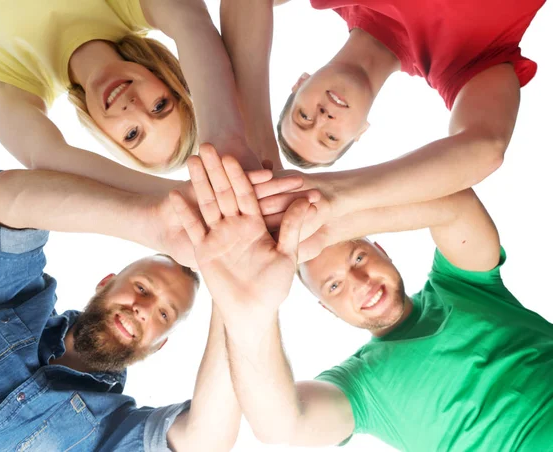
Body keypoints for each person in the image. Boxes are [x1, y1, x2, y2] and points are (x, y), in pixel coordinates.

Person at [173, 147, 553, 450]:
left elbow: (457, 204)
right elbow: (281, 424)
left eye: (359, 257)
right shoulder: (362, 384)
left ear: (383, 250)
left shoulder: (460, 283)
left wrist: (332, 215)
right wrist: (252, 314)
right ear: (328, 309)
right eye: (334, 287)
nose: (358, 282)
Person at [0, 161, 305, 450]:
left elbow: (204, 441)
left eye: (164, 315)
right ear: (106, 283)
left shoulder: (112, 429)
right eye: (142, 287)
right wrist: (150, 223)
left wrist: (232, 299)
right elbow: (2, 203)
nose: (144, 309)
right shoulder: (12, 303)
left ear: (159, 345)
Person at [220, 0, 546, 214]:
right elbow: (486, 148)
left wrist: (257, 134)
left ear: (300, 82)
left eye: (303, 116)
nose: (322, 118)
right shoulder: (463, 67)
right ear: (362, 130)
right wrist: (331, 196)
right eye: (330, 137)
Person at [0, 0, 260, 182]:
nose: (134, 107)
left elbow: (46, 156)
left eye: (132, 134)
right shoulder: (128, 8)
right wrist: (224, 136)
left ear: (106, 137)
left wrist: (177, 199)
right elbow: (192, 22)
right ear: (165, 77)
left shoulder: (18, 80)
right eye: (159, 106)